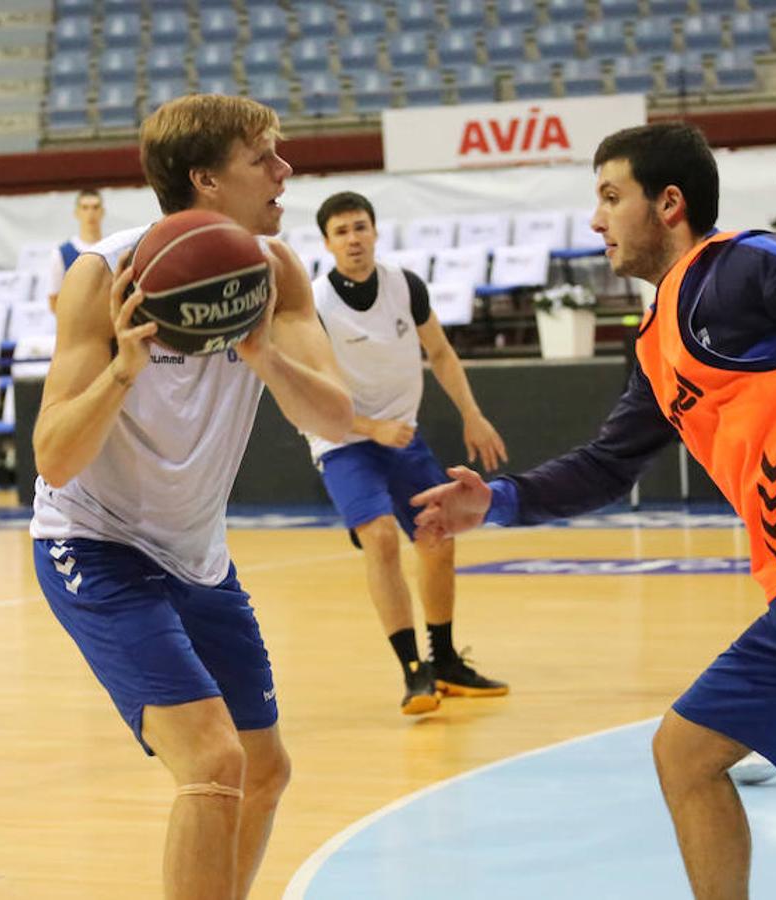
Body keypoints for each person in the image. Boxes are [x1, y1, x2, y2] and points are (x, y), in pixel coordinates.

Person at [413, 123, 776, 899]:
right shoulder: (657, 340)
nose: (596, 221)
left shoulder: (738, 262)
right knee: (683, 754)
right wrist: (501, 499)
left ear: (670, 204)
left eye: (612, 198)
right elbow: (608, 463)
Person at [29, 94, 352, 899]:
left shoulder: (276, 270)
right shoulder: (103, 274)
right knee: (213, 763)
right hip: (92, 543)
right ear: (205, 179)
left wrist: (263, 354)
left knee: (265, 769)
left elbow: (336, 416)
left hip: (196, 553)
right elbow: (55, 459)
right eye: (263, 160)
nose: (285, 172)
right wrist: (123, 368)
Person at [307, 190, 510, 715]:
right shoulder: (314, 304)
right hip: (344, 439)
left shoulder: (404, 286)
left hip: (400, 435)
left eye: (360, 227)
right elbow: (304, 395)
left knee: (437, 534)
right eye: (342, 232)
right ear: (327, 244)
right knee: (379, 538)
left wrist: (472, 413)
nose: (353, 239)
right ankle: (412, 672)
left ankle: (443, 661)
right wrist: (367, 426)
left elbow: (440, 353)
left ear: (374, 231)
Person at [46, 188, 105, 312]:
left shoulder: (113, 248)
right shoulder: (61, 254)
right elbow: (54, 301)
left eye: (95, 207)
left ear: (102, 211)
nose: (90, 213)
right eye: (85, 207)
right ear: (76, 213)